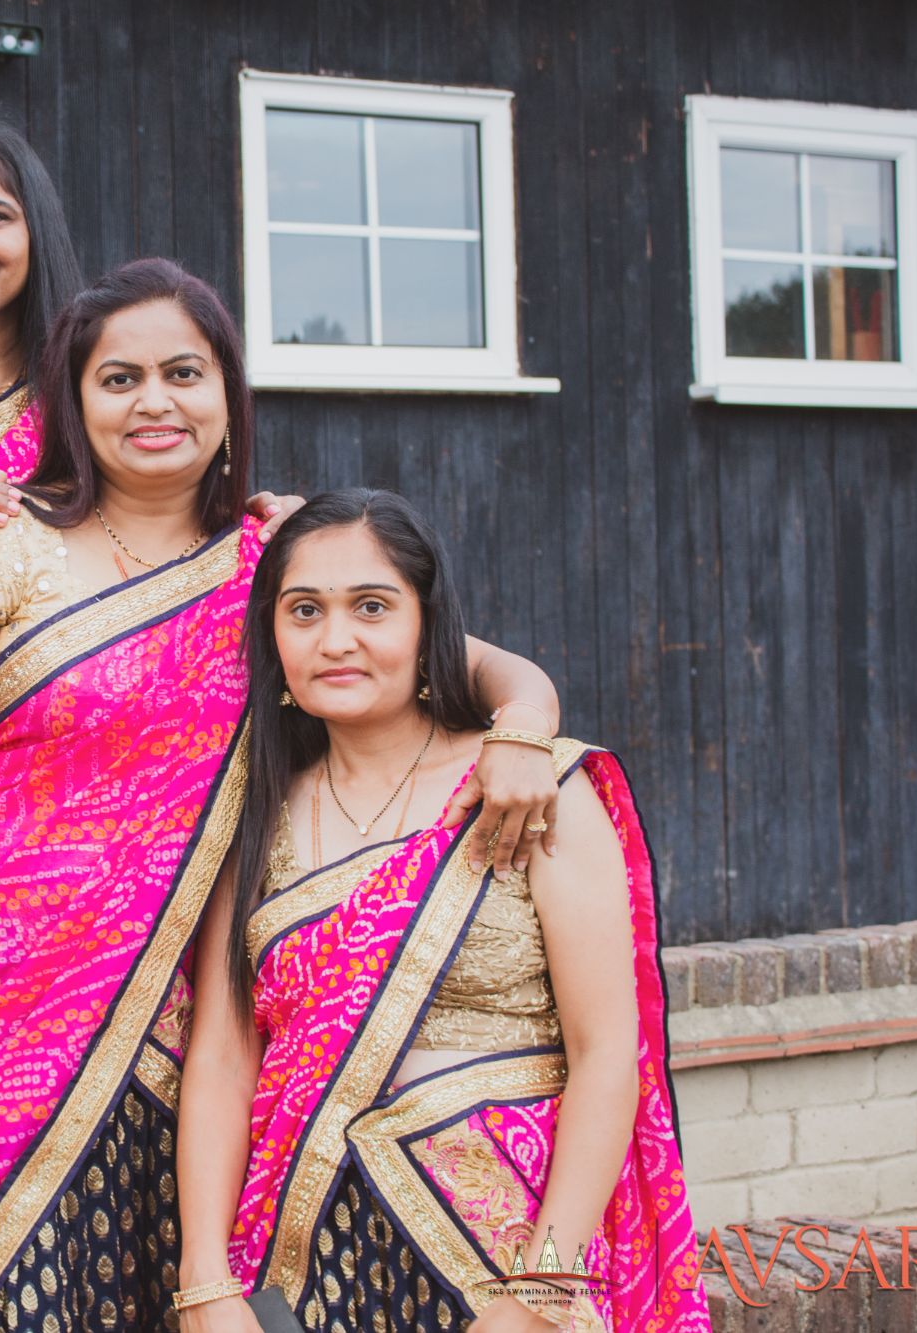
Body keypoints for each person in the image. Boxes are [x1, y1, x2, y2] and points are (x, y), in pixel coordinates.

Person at [0, 259, 566, 1333]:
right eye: (119, 380)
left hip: (173, 1028)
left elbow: (494, 673)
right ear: (73, 402)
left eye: (183, 374)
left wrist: (522, 735)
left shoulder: (275, 564)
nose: (154, 403)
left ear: (227, 392)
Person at [175, 490, 708, 1333]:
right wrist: (204, 1281)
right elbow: (223, 1050)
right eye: (303, 610)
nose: (336, 639)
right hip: (302, 1257)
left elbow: (607, 1053)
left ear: (431, 625)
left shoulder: (531, 787)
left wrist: (541, 1287)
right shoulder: (251, 819)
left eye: (373, 607)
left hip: (511, 1254)